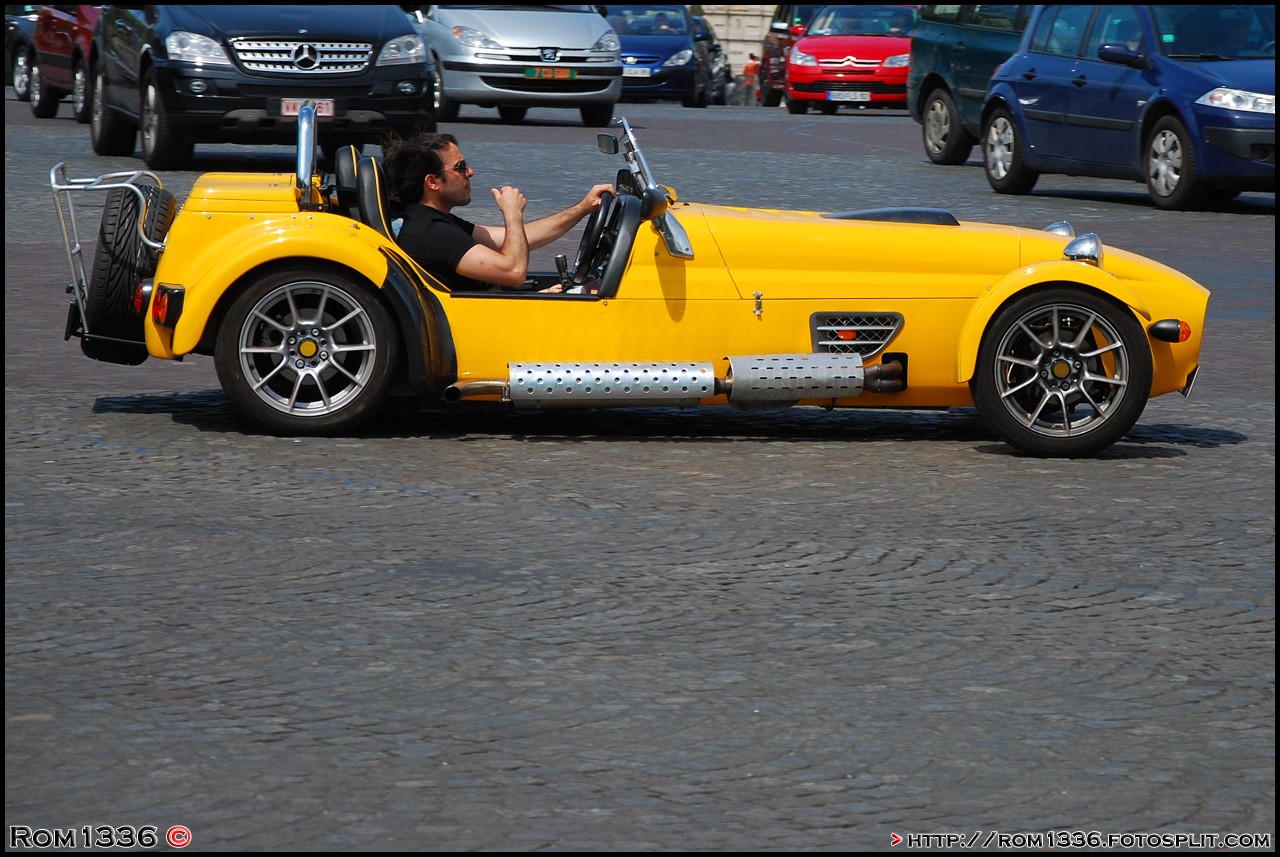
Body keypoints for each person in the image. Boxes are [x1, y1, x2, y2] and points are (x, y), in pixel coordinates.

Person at [381, 132, 614, 293]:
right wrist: (512, 213)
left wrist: (582, 208)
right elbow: (514, 271)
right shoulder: (432, 233)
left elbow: (520, 239)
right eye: (460, 167)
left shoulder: (434, 220)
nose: (470, 172)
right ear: (433, 182)